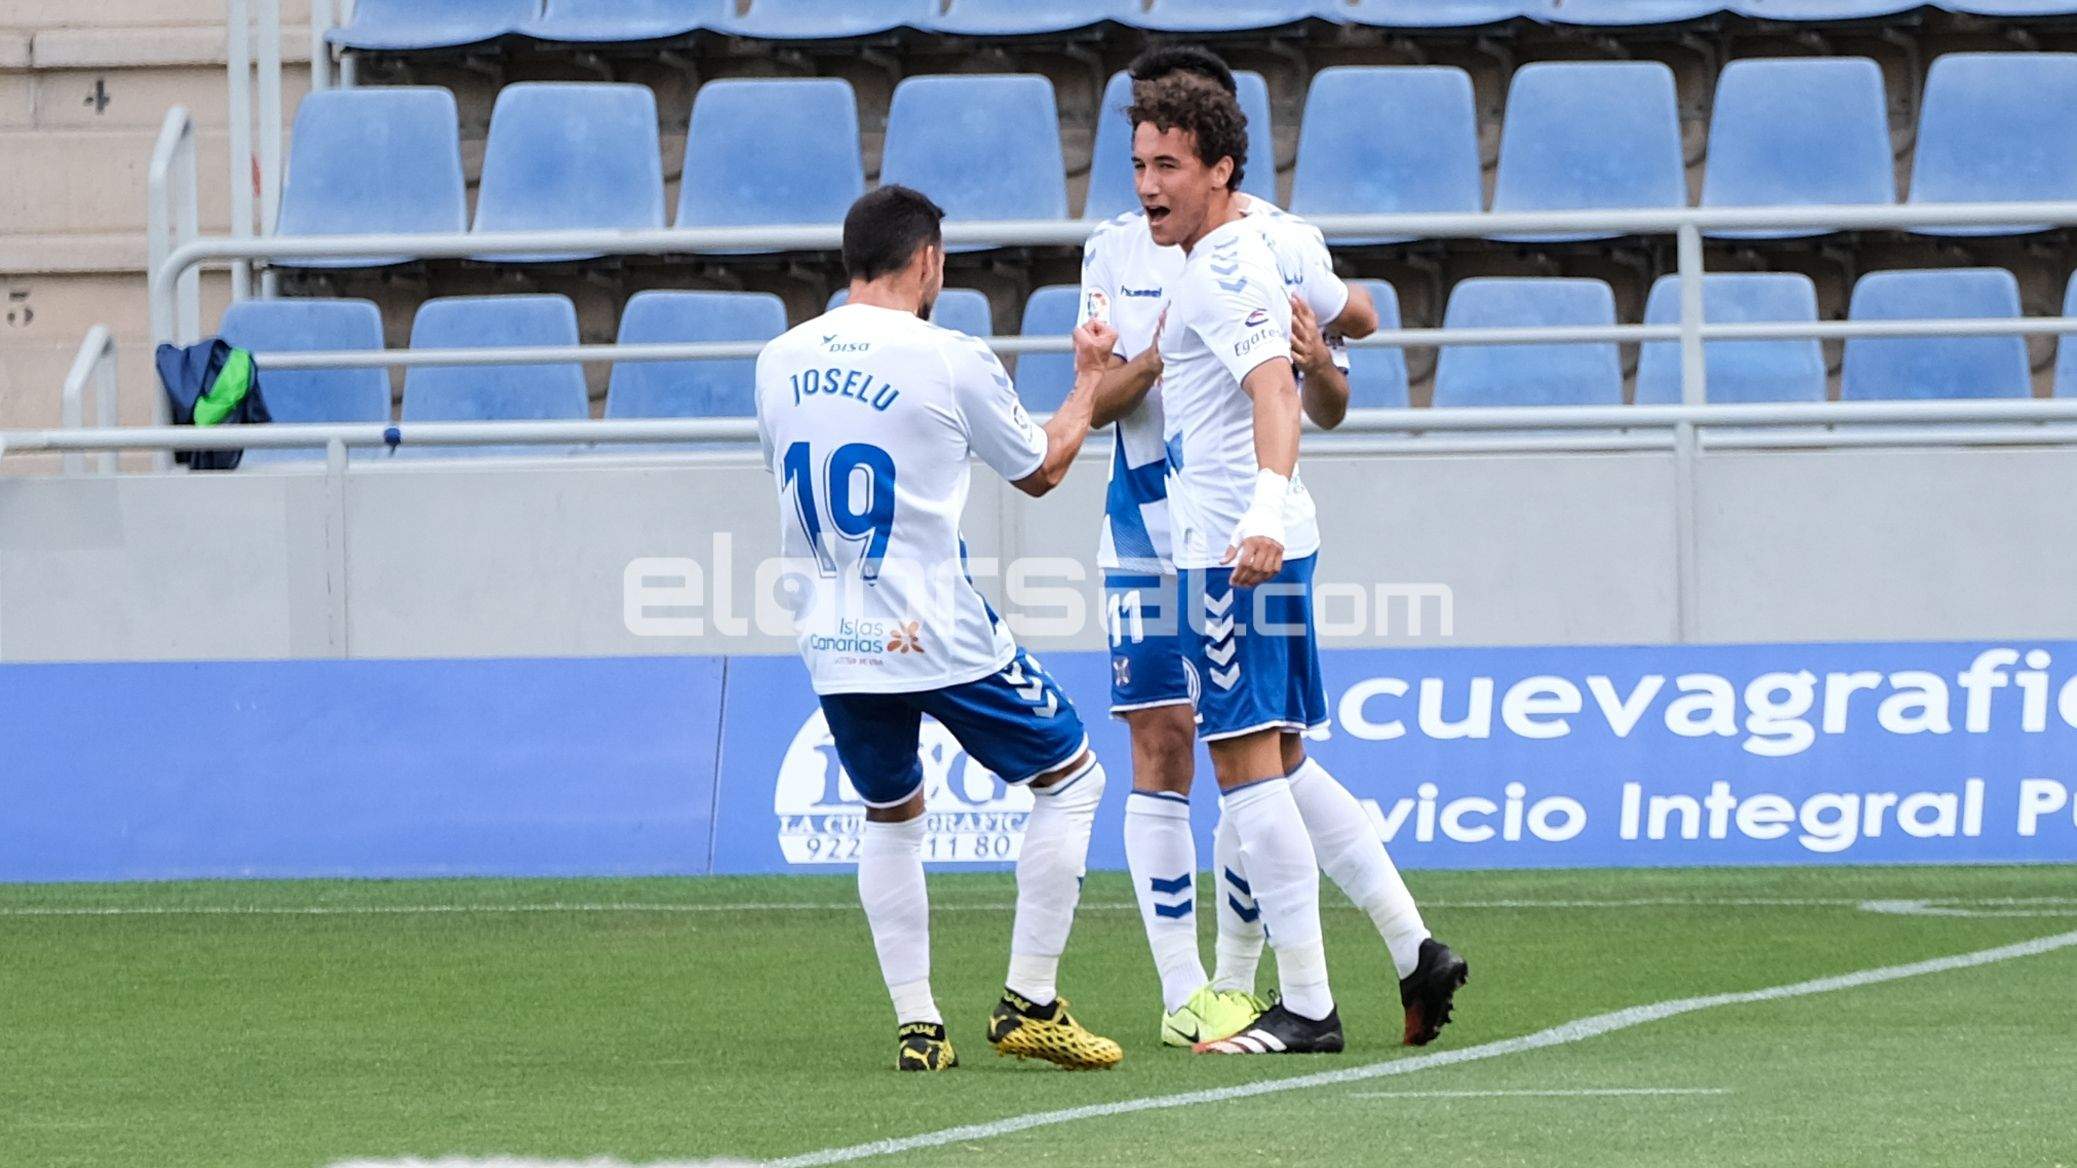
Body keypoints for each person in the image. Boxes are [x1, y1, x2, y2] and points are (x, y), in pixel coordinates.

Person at [1105, 70, 1468, 1055]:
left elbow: (1274, 392)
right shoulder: (1239, 248)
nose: (1147, 186)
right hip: (1257, 540)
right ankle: (1411, 946)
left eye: (1167, 165)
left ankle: (1306, 1003)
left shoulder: (1222, 267)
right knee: (1281, 757)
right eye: (1138, 165)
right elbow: (1332, 336)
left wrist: (1258, 513)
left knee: (1243, 765)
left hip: (1234, 549)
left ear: (1220, 168)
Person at [754, 184, 1124, 1072]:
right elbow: (1039, 470)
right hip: (934, 628)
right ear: (926, 262)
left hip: (835, 631)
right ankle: (1029, 1001)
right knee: (1072, 779)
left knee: (891, 811)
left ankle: (919, 1025)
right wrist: (1088, 383)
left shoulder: (775, 358)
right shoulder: (948, 356)